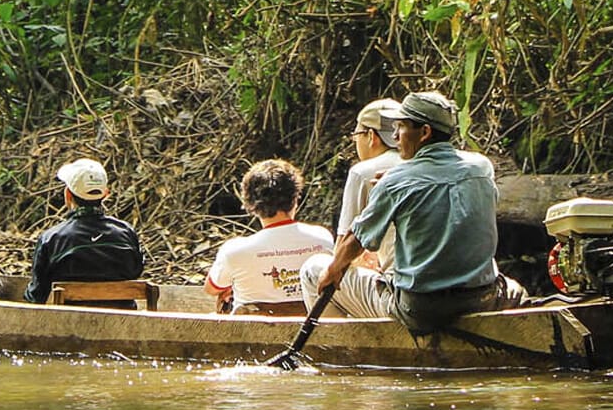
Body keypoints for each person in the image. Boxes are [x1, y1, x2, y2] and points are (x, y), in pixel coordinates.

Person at [301, 91, 527, 335]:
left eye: (400, 127)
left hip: (420, 309)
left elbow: (354, 242)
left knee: (314, 270)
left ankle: (343, 349)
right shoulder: (482, 168)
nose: (395, 136)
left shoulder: (395, 181)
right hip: (482, 296)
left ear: (425, 132)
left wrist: (333, 271)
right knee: (517, 291)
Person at [205, 160, 334, 315]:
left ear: (250, 205)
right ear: (295, 199)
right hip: (313, 334)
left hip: (250, 335)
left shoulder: (234, 250)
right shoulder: (322, 238)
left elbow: (211, 288)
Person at [25, 158, 146, 307]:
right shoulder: (126, 233)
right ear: (106, 194)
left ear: (68, 195)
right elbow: (136, 272)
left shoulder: (51, 239)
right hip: (125, 321)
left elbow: (37, 295)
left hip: (68, 324)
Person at [337, 98, 405, 277]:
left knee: (315, 269)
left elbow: (343, 249)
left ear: (371, 136)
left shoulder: (363, 173)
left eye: (357, 134)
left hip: (399, 286)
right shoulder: (426, 166)